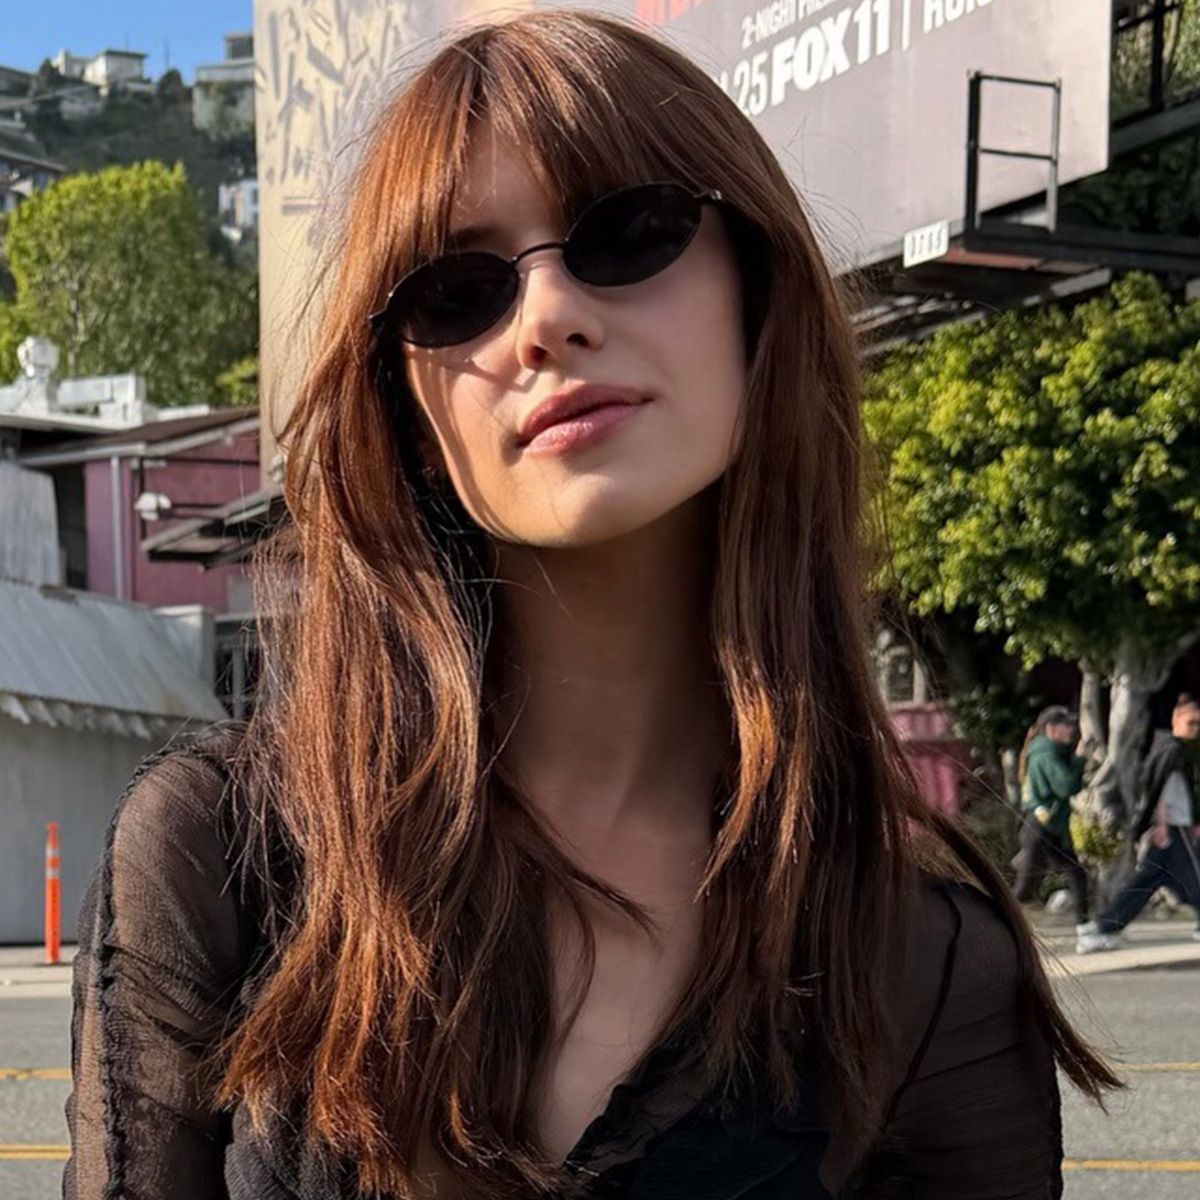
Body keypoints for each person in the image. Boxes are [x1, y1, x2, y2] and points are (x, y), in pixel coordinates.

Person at [63, 12, 1118, 1200]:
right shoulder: (219, 857)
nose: (546, 315)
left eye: (630, 229)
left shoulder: (922, 964)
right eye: (457, 290)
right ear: (406, 411)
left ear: (754, 290)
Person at [1079, 693, 1200, 953]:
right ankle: (1103, 928)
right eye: (1192, 723)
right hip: (1172, 827)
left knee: (1146, 882)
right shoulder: (1172, 750)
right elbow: (1161, 790)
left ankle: (1105, 926)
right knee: (1195, 878)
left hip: (1171, 827)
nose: (1195, 729)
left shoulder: (1166, 747)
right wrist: (1162, 824)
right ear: (1176, 719)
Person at [1011, 705, 1094, 948]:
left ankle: (1086, 930)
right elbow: (1066, 786)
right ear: (1051, 729)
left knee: (1076, 874)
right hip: (1039, 827)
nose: (1071, 729)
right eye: (1066, 725)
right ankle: (993, 928)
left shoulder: (1049, 751)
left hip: (1047, 827)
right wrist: (1080, 759)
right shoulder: (1046, 754)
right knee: (1025, 888)